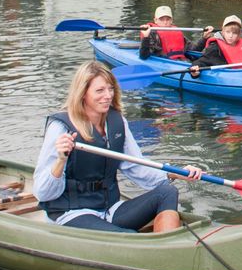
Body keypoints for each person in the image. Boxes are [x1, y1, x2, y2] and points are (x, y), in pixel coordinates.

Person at [34, 60, 203, 233]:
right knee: (130, 236)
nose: (108, 95)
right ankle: (154, 251)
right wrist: (61, 160)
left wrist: (175, 173)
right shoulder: (61, 127)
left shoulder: (116, 121)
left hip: (109, 208)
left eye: (110, 89)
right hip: (72, 212)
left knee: (167, 192)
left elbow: (135, 166)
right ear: (82, 93)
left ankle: (168, 245)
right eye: (99, 90)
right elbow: (43, 193)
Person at [138, 5, 211, 61]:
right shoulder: (152, 33)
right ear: (155, 20)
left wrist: (204, 38)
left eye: (168, 19)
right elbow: (144, 56)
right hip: (163, 63)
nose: (165, 22)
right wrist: (145, 37)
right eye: (161, 19)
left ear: (171, 20)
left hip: (179, 62)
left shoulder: (176, 32)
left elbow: (194, 49)